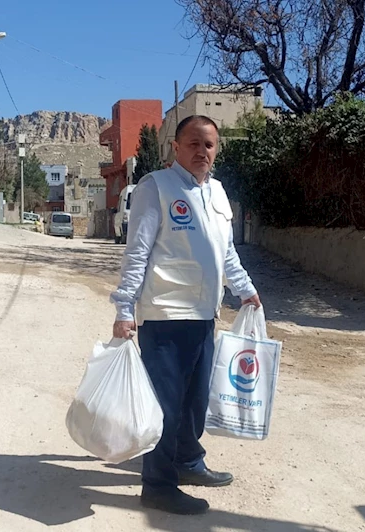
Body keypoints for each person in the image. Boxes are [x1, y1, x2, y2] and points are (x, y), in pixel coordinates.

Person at [110, 115, 261, 515]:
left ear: (216, 150)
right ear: (175, 148)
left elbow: (226, 252)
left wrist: (245, 289)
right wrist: (124, 307)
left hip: (204, 314)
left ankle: (188, 462)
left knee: (195, 401)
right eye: (193, 143)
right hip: (165, 314)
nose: (201, 151)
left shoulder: (218, 193)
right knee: (166, 403)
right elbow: (137, 252)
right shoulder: (155, 188)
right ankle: (158, 485)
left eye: (209, 145)